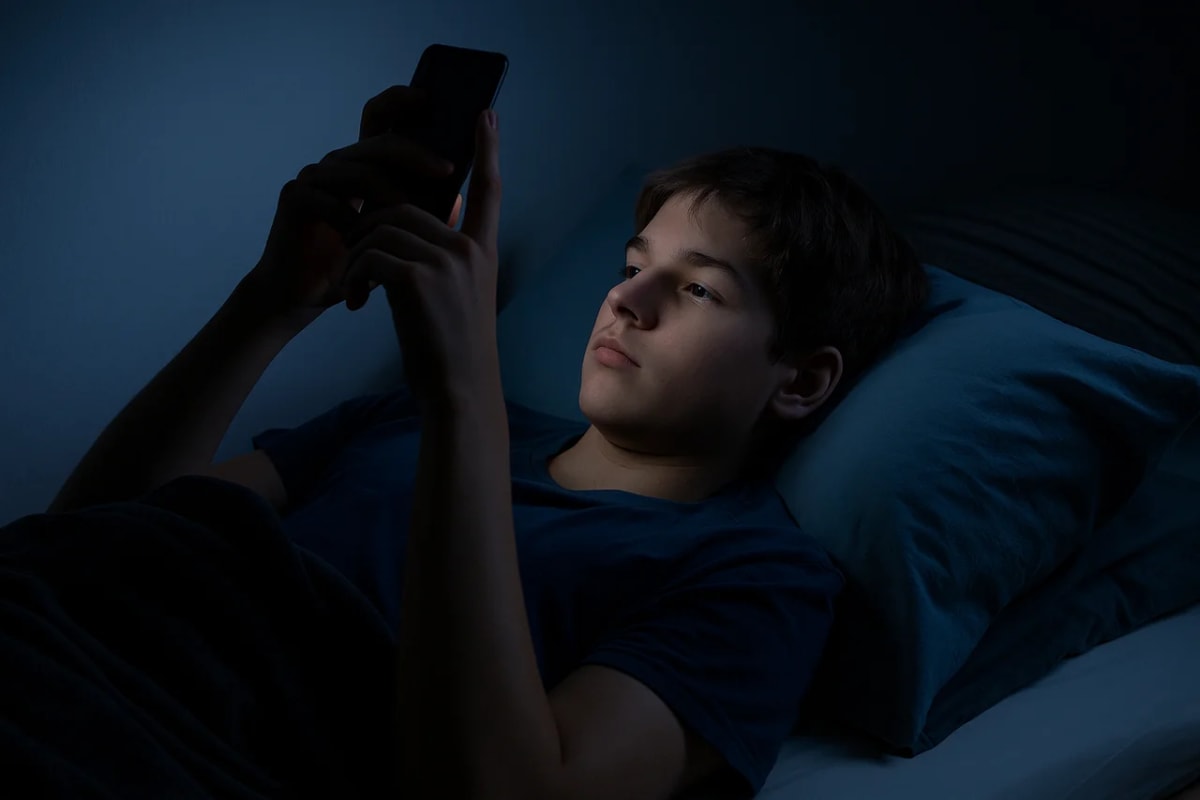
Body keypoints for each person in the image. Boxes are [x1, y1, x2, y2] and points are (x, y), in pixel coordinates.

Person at [20, 85, 929, 799]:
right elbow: (93, 543)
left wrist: (464, 393)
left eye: (698, 291)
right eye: (633, 266)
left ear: (801, 379)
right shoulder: (396, 422)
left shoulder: (753, 576)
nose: (626, 302)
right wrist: (271, 302)